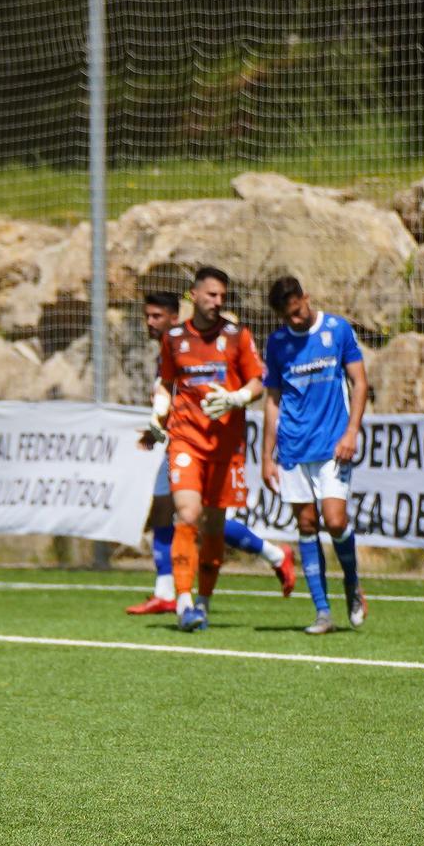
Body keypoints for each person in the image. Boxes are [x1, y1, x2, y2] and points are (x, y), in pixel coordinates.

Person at [128, 289, 295, 615]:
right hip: (181, 441)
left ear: (175, 318)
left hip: (211, 444)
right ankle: (166, 591)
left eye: (156, 316)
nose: (150, 323)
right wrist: (155, 427)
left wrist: (232, 400)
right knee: (169, 511)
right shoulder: (169, 347)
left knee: (203, 519)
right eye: (146, 316)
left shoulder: (204, 344)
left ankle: (273, 554)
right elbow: (168, 394)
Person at [153, 265, 264, 632]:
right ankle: (183, 602)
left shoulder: (236, 336)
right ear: (194, 295)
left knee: (214, 524)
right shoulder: (173, 339)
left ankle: (204, 601)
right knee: (187, 514)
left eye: (222, 296)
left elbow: (258, 381)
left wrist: (237, 397)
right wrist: (158, 415)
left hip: (225, 444)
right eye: (212, 294)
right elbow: (165, 384)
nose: (218, 302)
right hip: (186, 438)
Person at [263, 275, 369, 634]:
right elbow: (273, 401)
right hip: (293, 448)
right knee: (306, 525)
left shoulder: (337, 330)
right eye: (287, 316)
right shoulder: (277, 344)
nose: (295, 319)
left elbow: (360, 382)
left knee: (335, 521)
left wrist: (352, 431)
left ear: (306, 298)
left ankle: (352, 583)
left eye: (297, 311)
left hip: (332, 446)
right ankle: (322, 612)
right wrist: (266, 456)